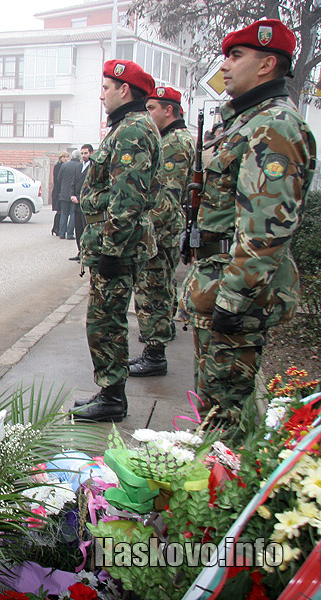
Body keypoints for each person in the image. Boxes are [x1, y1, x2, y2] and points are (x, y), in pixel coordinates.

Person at [180, 19, 316, 430]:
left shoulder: (274, 126)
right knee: (217, 408)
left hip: (236, 292)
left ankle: (227, 490)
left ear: (266, 65)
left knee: (226, 421)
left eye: (236, 56)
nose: (225, 65)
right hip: (220, 282)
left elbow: (266, 229)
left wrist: (233, 301)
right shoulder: (249, 120)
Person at [72, 60, 160, 422]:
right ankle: (110, 391)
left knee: (105, 322)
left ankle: (112, 398)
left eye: (106, 87)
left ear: (125, 90)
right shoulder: (126, 127)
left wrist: (110, 249)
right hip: (114, 243)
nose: (101, 94)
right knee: (105, 320)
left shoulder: (133, 131)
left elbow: (126, 199)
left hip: (117, 247)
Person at [130, 87, 195, 377]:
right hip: (164, 231)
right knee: (160, 290)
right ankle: (155, 349)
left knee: (153, 292)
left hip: (160, 233)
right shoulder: (170, 139)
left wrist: (143, 232)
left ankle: (155, 355)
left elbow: (165, 198)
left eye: (152, 108)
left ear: (169, 110)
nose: (148, 114)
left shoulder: (175, 144)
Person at [69, 144, 93, 261]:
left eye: (86, 153)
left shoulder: (93, 167)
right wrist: (72, 195)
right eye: (82, 153)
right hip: (76, 204)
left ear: (91, 153)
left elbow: (91, 186)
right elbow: (73, 183)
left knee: (85, 229)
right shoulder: (78, 167)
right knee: (78, 229)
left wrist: (81, 198)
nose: (84, 156)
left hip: (85, 204)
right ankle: (80, 252)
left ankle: (86, 253)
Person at [56, 149, 82, 239]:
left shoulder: (64, 165)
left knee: (64, 214)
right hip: (74, 194)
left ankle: (61, 233)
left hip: (63, 193)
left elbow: (59, 179)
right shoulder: (80, 166)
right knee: (73, 214)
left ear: (72, 156)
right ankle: (70, 234)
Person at [50, 151, 69, 235]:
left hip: (61, 191)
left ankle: (56, 228)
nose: (65, 159)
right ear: (60, 158)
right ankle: (56, 228)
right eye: (64, 157)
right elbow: (57, 180)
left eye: (66, 157)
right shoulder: (58, 166)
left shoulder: (64, 166)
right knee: (59, 211)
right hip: (58, 191)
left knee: (61, 211)